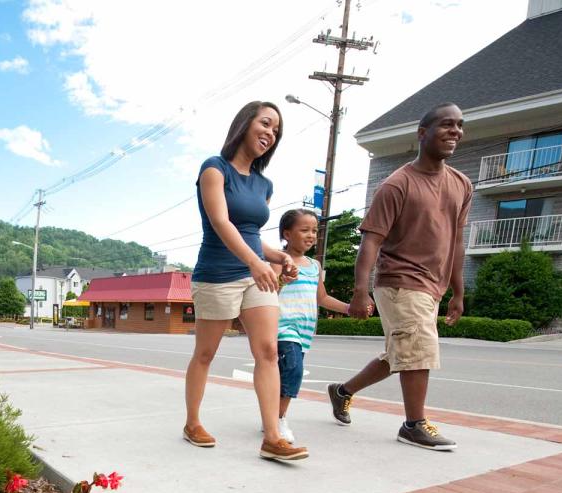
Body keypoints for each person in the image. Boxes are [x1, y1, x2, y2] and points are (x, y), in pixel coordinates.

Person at [327, 102, 471, 451]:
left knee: (400, 354)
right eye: (446, 125)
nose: (455, 131)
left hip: (432, 286)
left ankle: (342, 391)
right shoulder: (397, 185)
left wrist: (458, 292)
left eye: (460, 125)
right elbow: (371, 241)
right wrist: (360, 291)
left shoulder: (462, 184)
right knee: (419, 349)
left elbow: (457, 242)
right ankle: (414, 424)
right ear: (423, 134)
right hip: (399, 281)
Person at [183, 101, 308, 461]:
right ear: (245, 124)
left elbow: (252, 233)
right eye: (265, 123)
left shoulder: (264, 184)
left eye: (276, 130)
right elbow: (222, 223)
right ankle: (192, 422)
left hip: (256, 275)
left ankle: (272, 436)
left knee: (268, 351)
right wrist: (255, 262)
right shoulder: (214, 169)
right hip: (217, 274)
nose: (270, 133)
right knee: (205, 353)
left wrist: (280, 256)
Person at [274, 208, 360, 445]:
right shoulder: (278, 260)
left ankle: (272, 417)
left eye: (314, 231)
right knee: (293, 371)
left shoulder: (314, 265)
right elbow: (268, 291)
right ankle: (278, 420)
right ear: (287, 234)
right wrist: (281, 278)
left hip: (305, 331)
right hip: (283, 327)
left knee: (284, 375)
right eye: (304, 230)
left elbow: (321, 298)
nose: (311, 235)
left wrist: (348, 308)